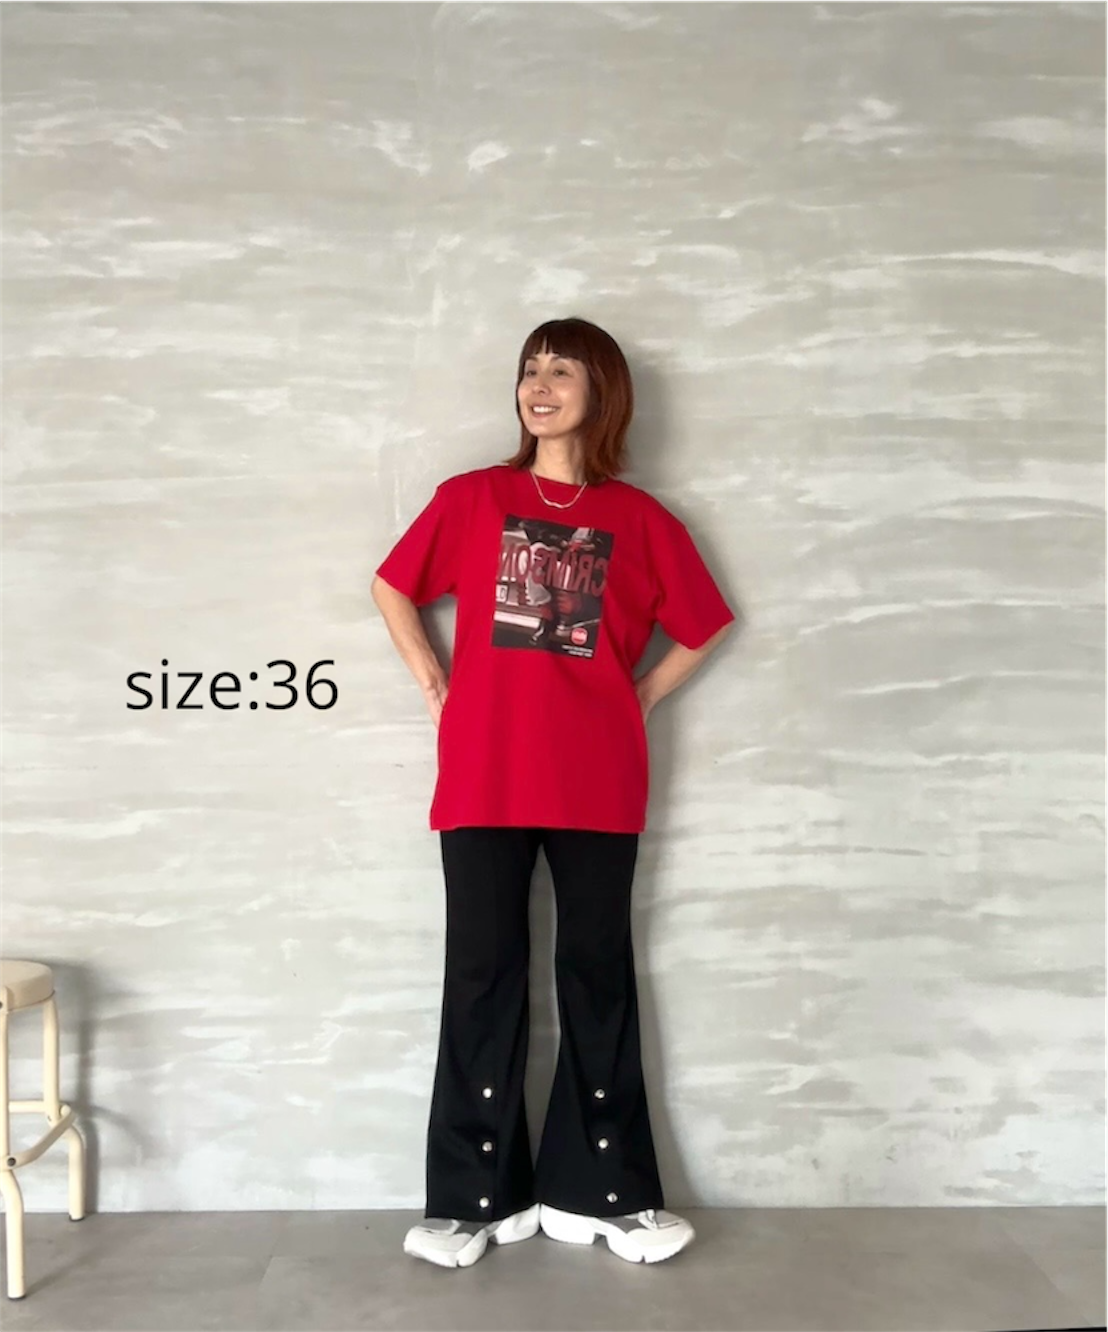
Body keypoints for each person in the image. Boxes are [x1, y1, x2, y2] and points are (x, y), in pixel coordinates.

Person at [372, 317, 736, 1270]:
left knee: (597, 973)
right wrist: (435, 682)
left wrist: (639, 698)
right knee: (482, 975)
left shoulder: (642, 520)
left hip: (597, 777)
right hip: (485, 771)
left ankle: (603, 1195)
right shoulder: (473, 499)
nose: (539, 386)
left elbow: (706, 623)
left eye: (561, 371)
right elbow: (391, 585)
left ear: (601, 390)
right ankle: (473, 1200)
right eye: (530, 370)